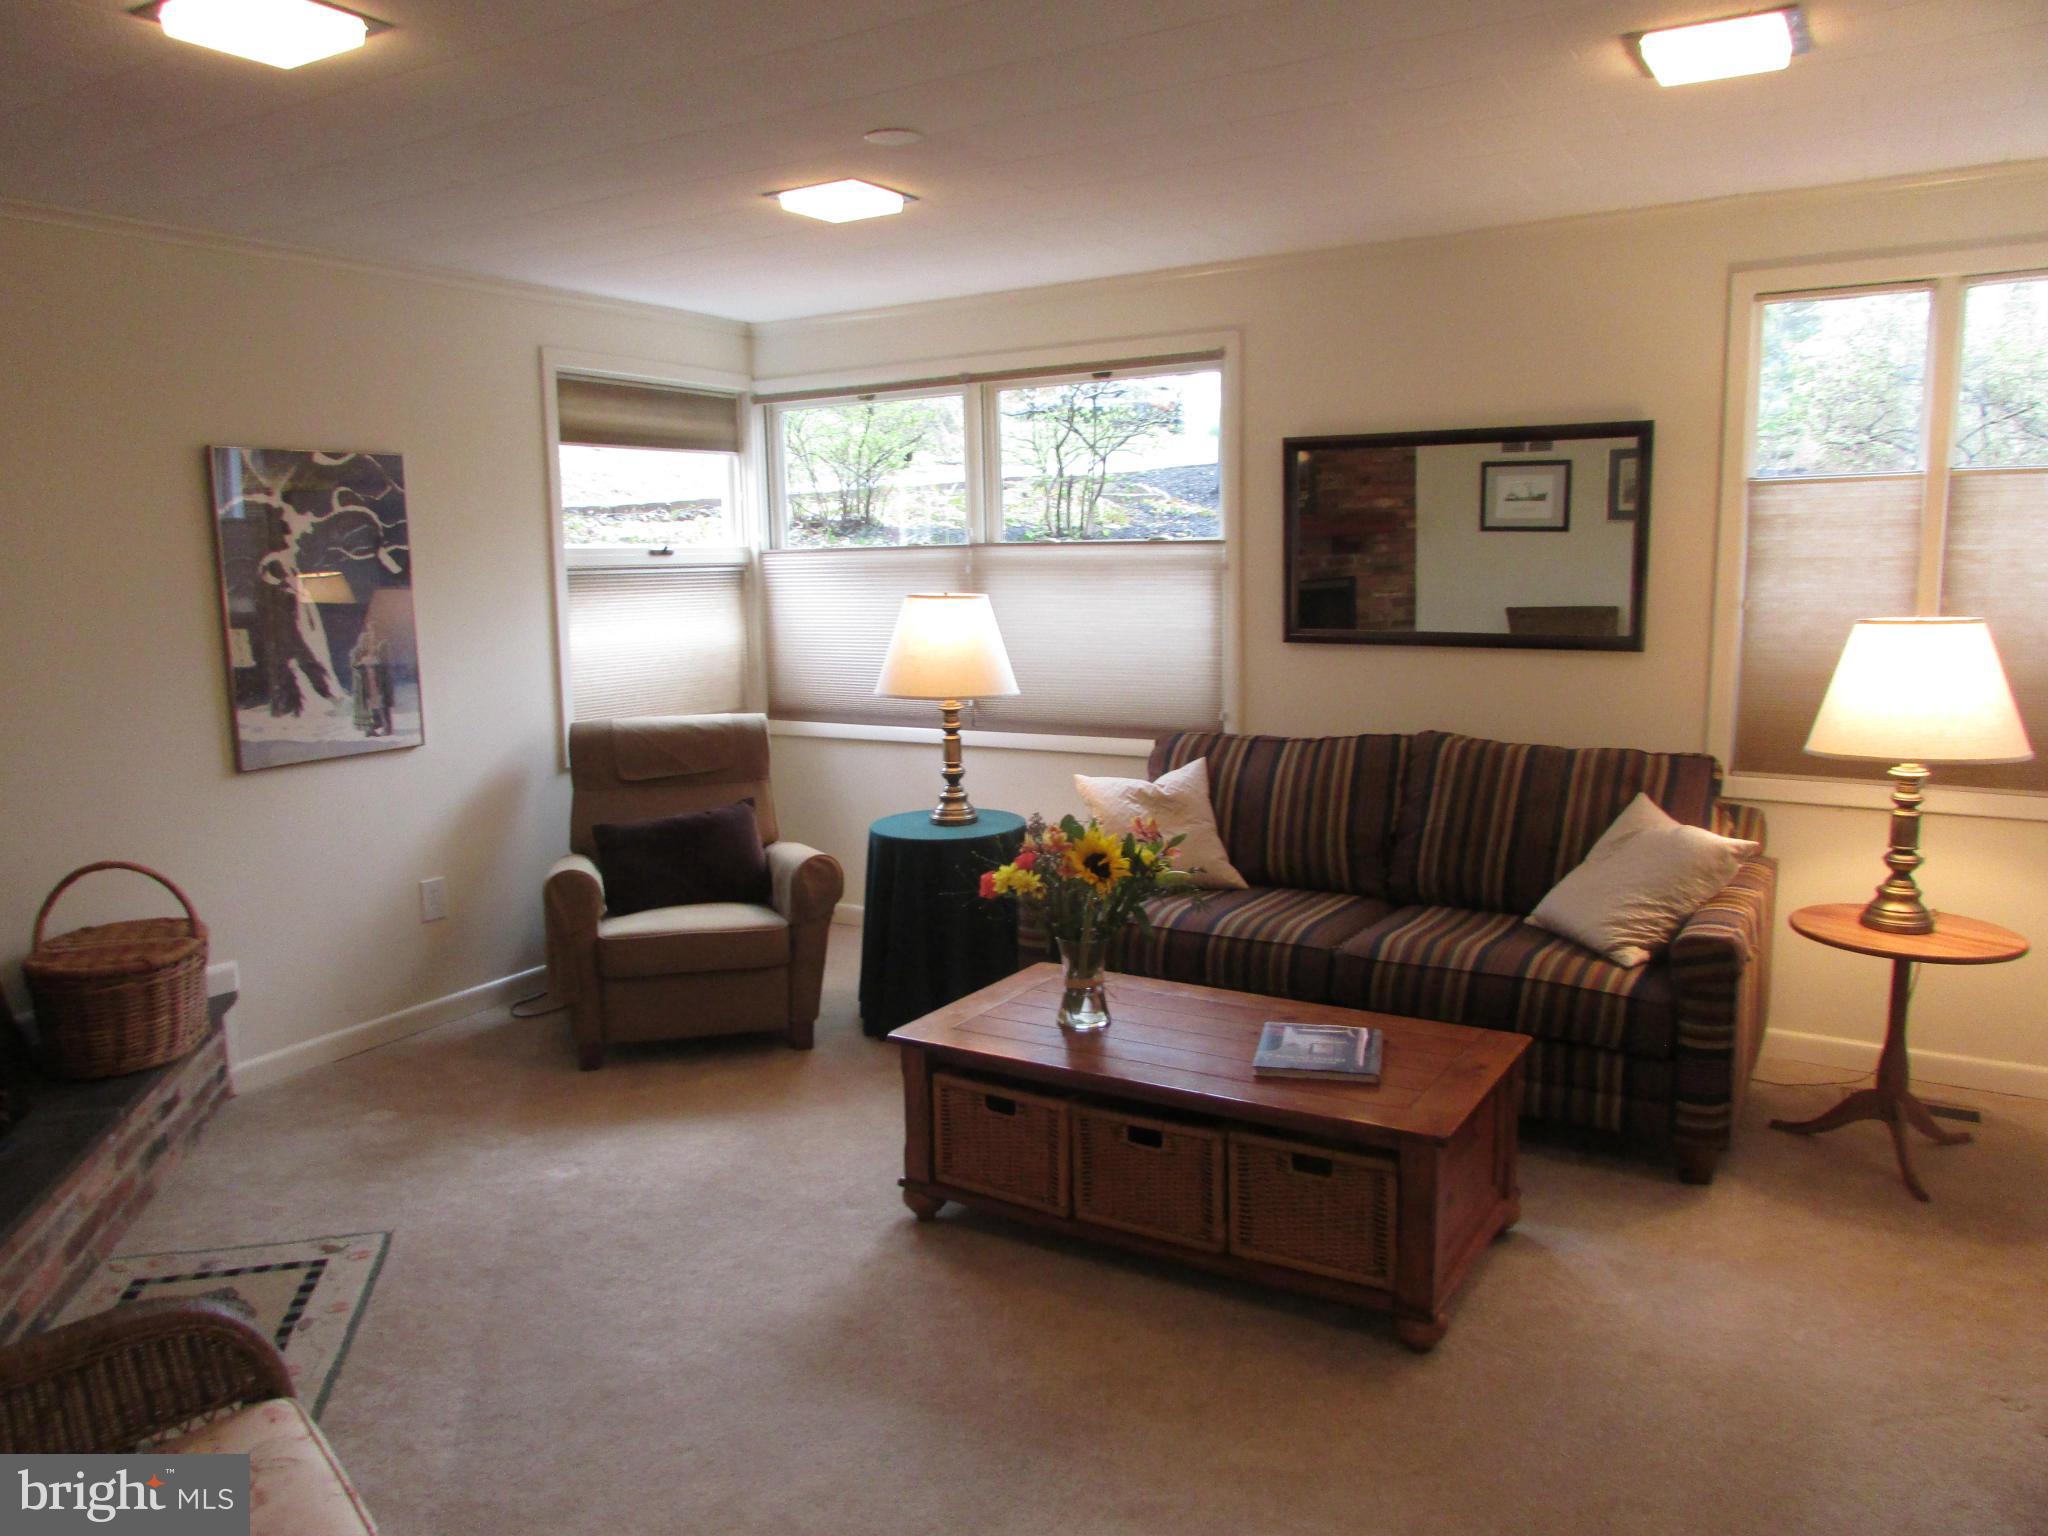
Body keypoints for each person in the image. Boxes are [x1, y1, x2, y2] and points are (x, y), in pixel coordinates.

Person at [350, 621, 393, 737]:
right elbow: (355, 664)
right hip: (366, 683)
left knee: (380, 703)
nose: (369, 642)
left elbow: (383, 661)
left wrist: (374, 663)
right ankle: (370, 728)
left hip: (377, 681)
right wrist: (363, 663)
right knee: (368, 705)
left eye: (373, 630)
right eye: (366, 642)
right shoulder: (358, 651)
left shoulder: (382, 643)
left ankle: (385, 726)